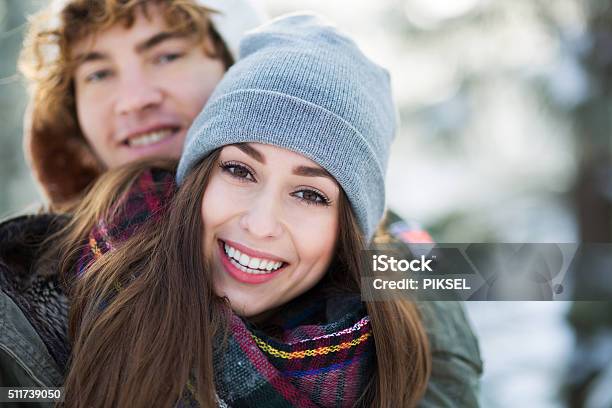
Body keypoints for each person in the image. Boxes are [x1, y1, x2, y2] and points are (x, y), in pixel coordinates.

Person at [0, 0, 482, 406]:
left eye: (166, 55)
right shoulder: (33, 269)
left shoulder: (395, 251)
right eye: (98, 72)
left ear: (230, 64)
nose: (134, 98)